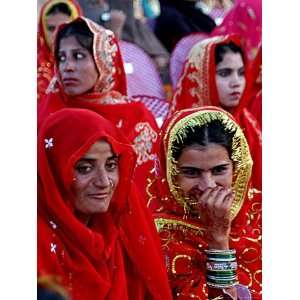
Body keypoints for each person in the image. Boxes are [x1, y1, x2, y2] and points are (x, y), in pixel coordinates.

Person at [38, 108, 173, 300]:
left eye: (111, 166)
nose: (104, 182)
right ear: (54, 171)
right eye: (84, 168)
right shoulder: (38, 245)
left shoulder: (118, 229)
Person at [38, 17, 159, 199]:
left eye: (79, 56)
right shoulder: (48, 111)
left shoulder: (134, 116)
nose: (67, 67)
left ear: (103, 59)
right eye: (62, 58)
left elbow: (145, 188)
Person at [148, 106, 262, 299]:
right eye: (191, 172)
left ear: (236, 167)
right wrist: (218, 238)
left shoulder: (259, 212)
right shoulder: (154, 234)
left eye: (219, 170)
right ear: (170, 174)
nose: (208, 185)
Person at [170, 34, 261, 190]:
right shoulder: (180, 130)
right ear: (201, 74)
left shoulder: (246, 122)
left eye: (241, 73)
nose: (236, 82)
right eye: (225, 73)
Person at [37, 0, 82, 101]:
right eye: (51, 28)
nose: (56, 34)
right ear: (42, 29)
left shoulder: (90, 66)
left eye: (64, 28)